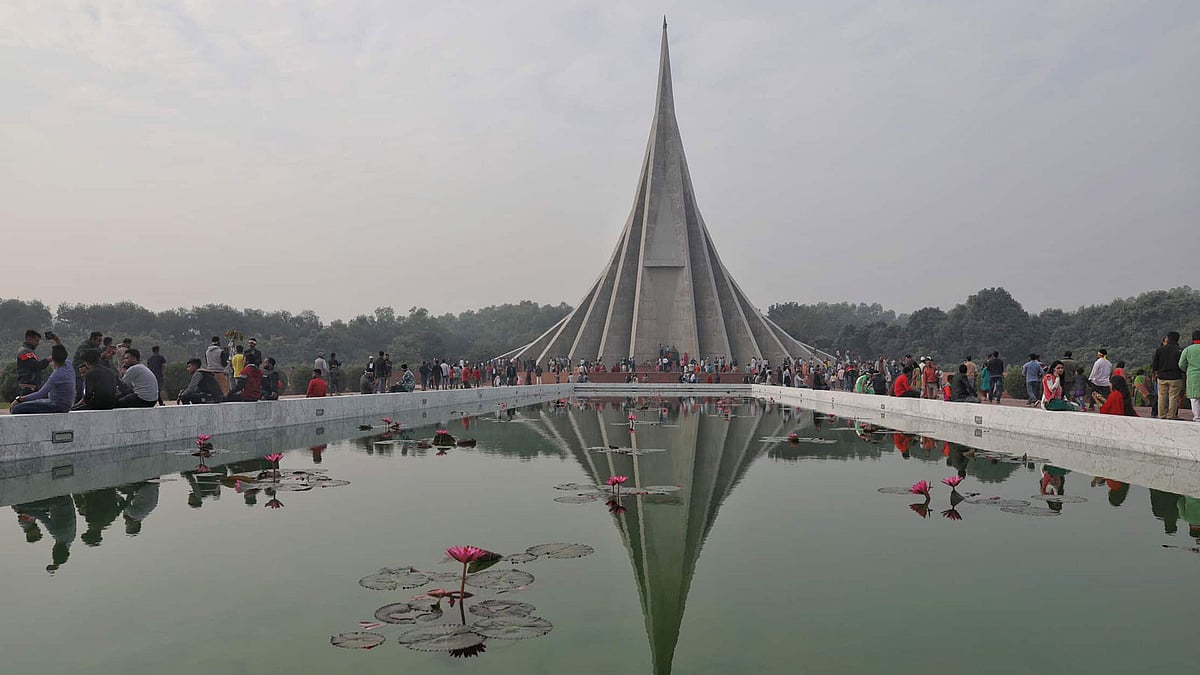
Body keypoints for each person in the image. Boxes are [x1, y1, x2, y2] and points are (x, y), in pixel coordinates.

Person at [11, 345, 74, 414]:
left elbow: (40, 394)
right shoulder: (69, 365)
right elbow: (62, 351)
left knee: (17, 408)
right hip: (67, 405)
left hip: (57, 406)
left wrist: (19, 399)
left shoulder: (57, 375)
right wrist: (56, 339)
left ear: (53, 359)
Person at [17, 329, 63, 398]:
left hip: (32, 386)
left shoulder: (30, 351)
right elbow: (36, 366)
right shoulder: (24, 351)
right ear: (29, 339)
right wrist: (48, 360)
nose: (38, 343)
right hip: (28, 387)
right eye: (36, 341)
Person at [1151, 331, 1185, 420]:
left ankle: (1161, 415)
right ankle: (1171, 416)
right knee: (1173, 397)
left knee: (1161, 396)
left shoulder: (1160, 350)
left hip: (1162, 377)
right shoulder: (1180, 350)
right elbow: (1182, 365)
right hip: (1175, 377)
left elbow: (1155, 363)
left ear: (1168, 339)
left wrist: (1154, 373)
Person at [73, 331, 103, 399]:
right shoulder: (84, 346)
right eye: (99, 340)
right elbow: (86, 356)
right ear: (92, 339)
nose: (100, 343)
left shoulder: (96, 347)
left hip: (90, 371)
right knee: (79, 391)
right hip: (79, 372)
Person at [1179, 330, 1200, 422]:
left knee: (1195, 398)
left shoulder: (1187, 349)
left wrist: (1188, 370)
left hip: (1193, 376)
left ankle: (1197, 417)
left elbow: (1181, 364)